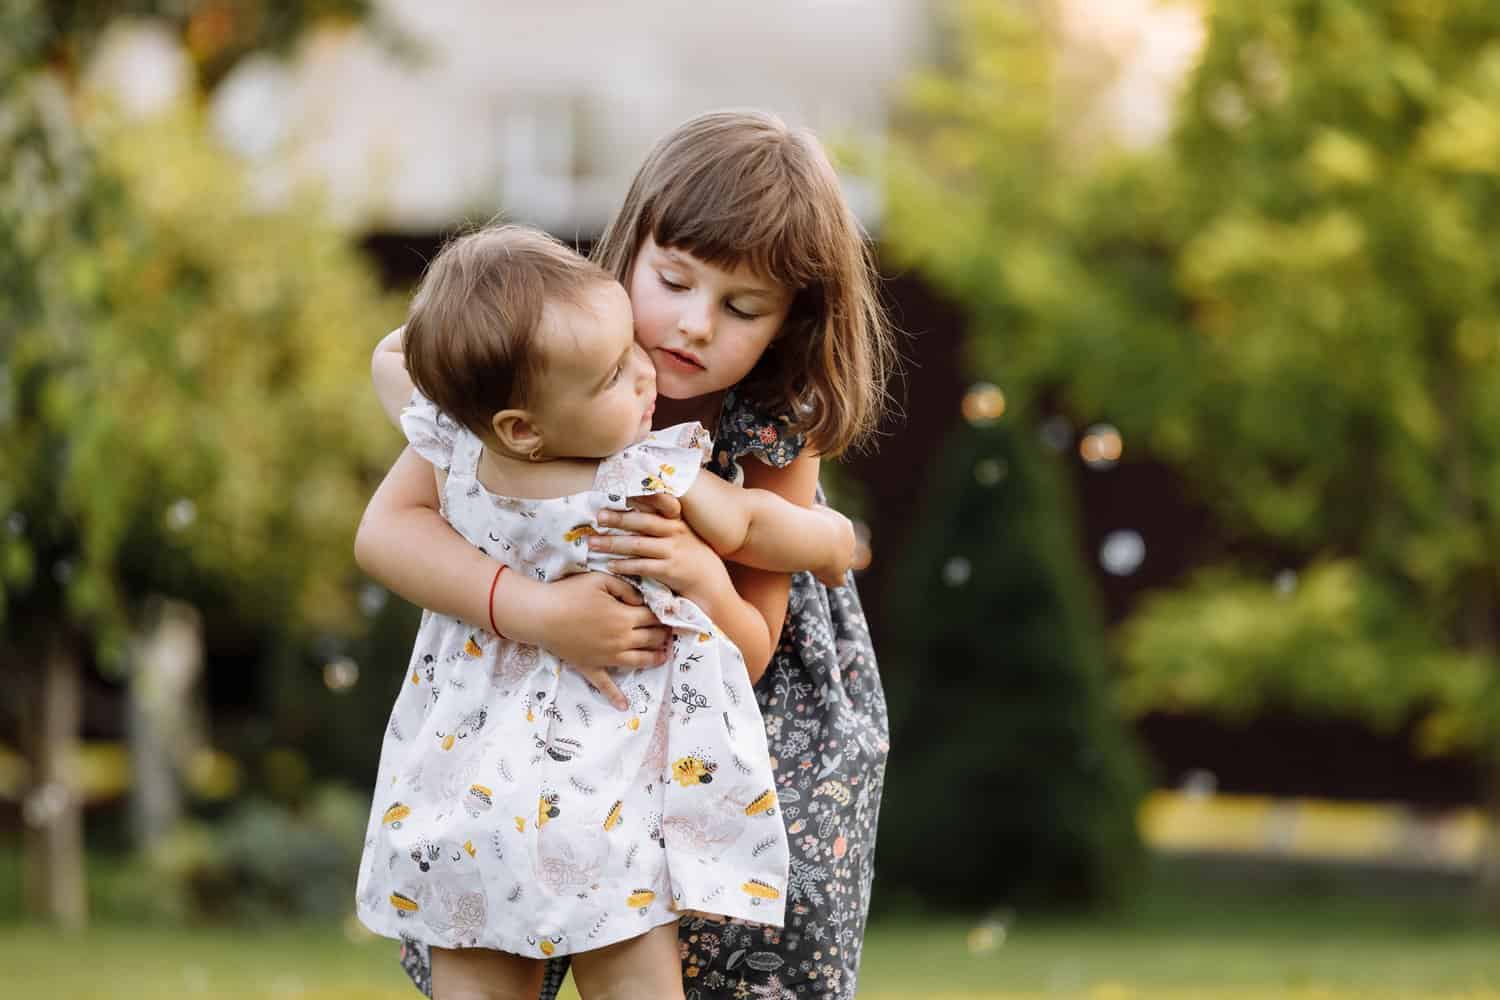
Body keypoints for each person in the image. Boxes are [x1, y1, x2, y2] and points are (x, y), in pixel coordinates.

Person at [357, 109, 897, 1000]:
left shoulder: (768, 432)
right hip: (524, 719)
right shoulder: (536, 364)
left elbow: (755, 647)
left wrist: (693, 570)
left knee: (706, 957)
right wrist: (533, 608)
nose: (691, 326)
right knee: (492, 926)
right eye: (674, 280)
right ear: (631, 248)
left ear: (791, 321)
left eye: (742, 306)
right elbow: (390, 521)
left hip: (721, 725)